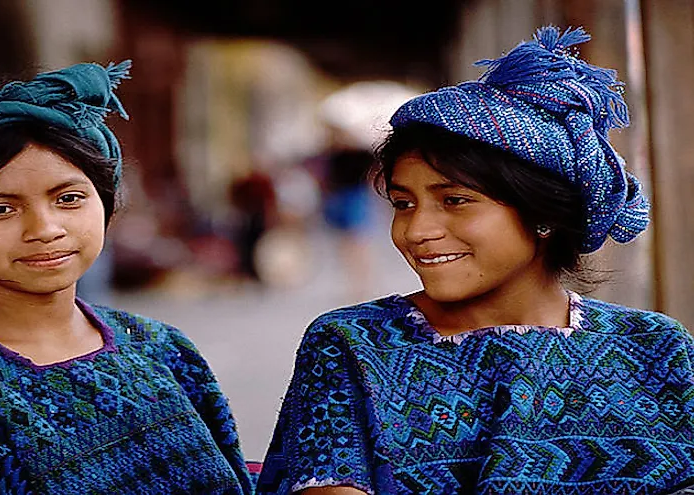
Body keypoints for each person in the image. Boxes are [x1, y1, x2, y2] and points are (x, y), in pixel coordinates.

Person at [256, 26, 694, 494]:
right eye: (404, 204)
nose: (417, 231)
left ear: (542, 213)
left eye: (456, 200)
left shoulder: (653, 348)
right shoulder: (354, 346)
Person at [0, 61, 253, 494]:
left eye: (68, 199)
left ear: (105, 207)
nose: (45, 229)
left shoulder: (163, 348)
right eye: (0, 209)